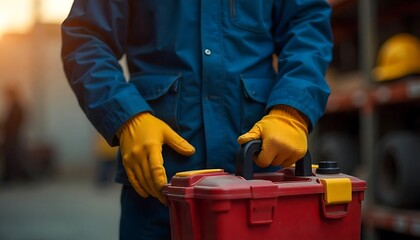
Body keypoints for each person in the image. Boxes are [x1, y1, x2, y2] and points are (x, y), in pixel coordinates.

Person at [61, 1, 333, 239]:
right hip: (159, 187)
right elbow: (86, 37)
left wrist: (291, 111)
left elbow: (307, 22)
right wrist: (127, 117)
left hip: (260, 184)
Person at [0, 83, 28, 183]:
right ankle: (10, 176)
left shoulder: (16, 106)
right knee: (10, 156)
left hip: (13, 136)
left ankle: (14, 176)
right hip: (11, 136)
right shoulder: (14, 106)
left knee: (13, 157)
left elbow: (13, 122)